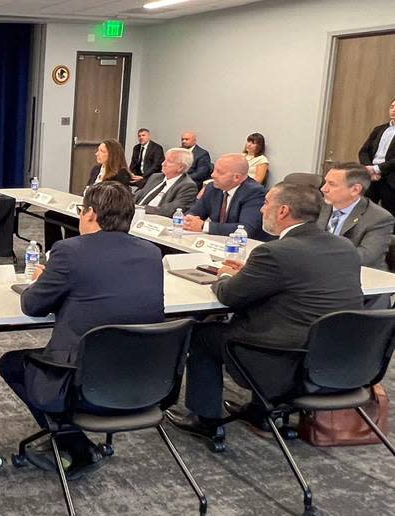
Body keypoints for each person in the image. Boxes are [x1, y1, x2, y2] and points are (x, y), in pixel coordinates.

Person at [165, 182, 363, 444]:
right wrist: (251, 272)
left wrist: (225, 274)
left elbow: (229, 295)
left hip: (282, 361)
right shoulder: (343, 247)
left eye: (266, 203)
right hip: (337, 358)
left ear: (283, 211)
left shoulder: (274, 252)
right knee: (272, 321)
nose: (261, 209)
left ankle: (206, 420)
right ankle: (260, 412)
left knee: (201, 334)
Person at [0, 182, 164, 478]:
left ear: (90, 214)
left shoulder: (69, 251)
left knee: (11, 363)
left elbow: (32, 306)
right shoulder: (151, 253)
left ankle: (75, 444)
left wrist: (44, 279)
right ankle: (74, 441)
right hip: (145, 379)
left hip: (86, 384)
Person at [319, 162, 394, 273]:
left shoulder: (379, 218)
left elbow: (366, 257)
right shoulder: (318, 206)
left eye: (332, 184)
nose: (323, 189)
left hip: (359, 276)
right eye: (325, 182)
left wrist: (318, 257)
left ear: (355, 190)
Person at [184, 153, 269, 240]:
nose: (213, 175)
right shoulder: (212, 187)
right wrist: (189, 219)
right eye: (214, 170)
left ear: (236, 177)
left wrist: (203, 226)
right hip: (216, 242)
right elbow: (194, 212)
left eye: (219, 172)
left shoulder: (255, 192)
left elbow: (246, 228)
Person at [134, 147, 200, 217]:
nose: (163, 164)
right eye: (165, 160)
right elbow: (140, 194)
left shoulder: (188, 186)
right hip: (136, 214)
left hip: (156, 220)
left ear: (180, 167)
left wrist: (140, 209)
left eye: (169, 161)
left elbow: (169, 210)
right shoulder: (155, 177)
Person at [357, 97, 395, 213]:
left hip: (391, 178)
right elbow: (363, 151)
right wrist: (368, 168)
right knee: (363, 211)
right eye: (392, 107)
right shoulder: (379, 129)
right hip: (371, 177)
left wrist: (377, 169)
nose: (393, 110)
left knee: (390, 213)